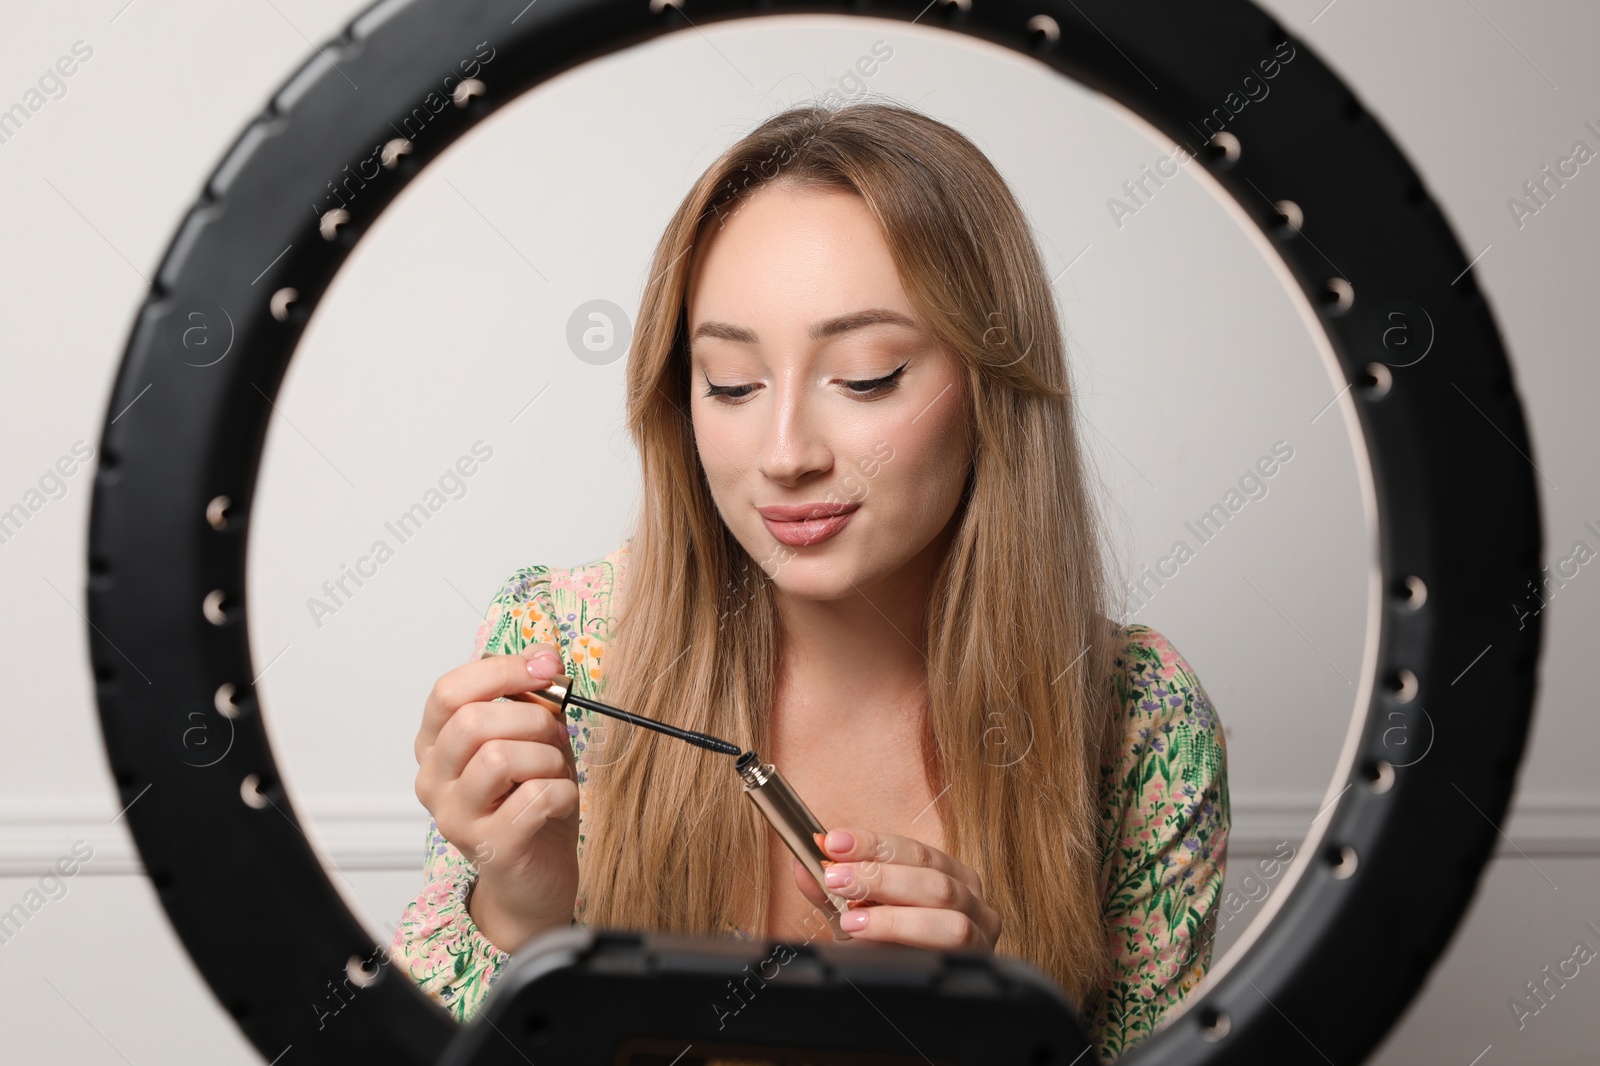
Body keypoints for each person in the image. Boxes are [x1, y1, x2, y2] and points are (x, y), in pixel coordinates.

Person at [391, 100, 1228, 1062]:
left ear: (994, 384)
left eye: (867, 377)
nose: (784, 455)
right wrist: (518, 920)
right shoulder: (557, 643)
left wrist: (986, 1044)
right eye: (732, 384)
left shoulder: (1141, 719)